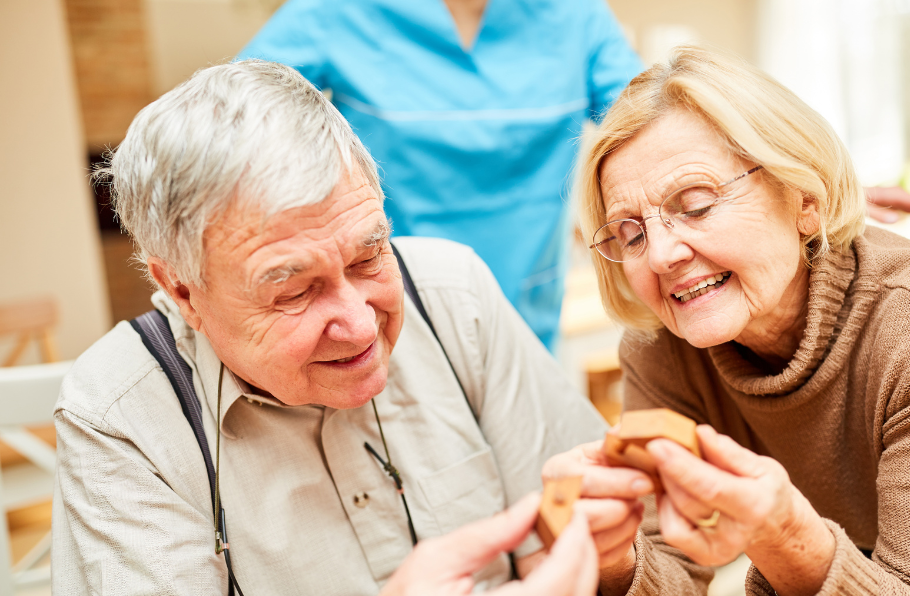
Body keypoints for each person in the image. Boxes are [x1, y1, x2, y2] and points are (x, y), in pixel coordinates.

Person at [51, 60, 652, 595]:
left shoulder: (452, 294)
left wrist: (612, 562)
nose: (362, 325)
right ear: (183, 289)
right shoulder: (119, 416)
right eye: (293, 290)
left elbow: (623, 557)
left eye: (369, 258)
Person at [560, 44, 910, 594]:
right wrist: (616, 558)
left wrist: (783, 536)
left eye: (694, 204)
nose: (661, 256)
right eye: (631, 233)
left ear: (804, 198)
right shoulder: (662, 346)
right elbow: (668, 558)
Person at [236, 0, 645, 349]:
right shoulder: (337, 12)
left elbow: (648, 125)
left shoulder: (575, 15)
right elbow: (230, 119)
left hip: (527, 309)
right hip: (386, 310)